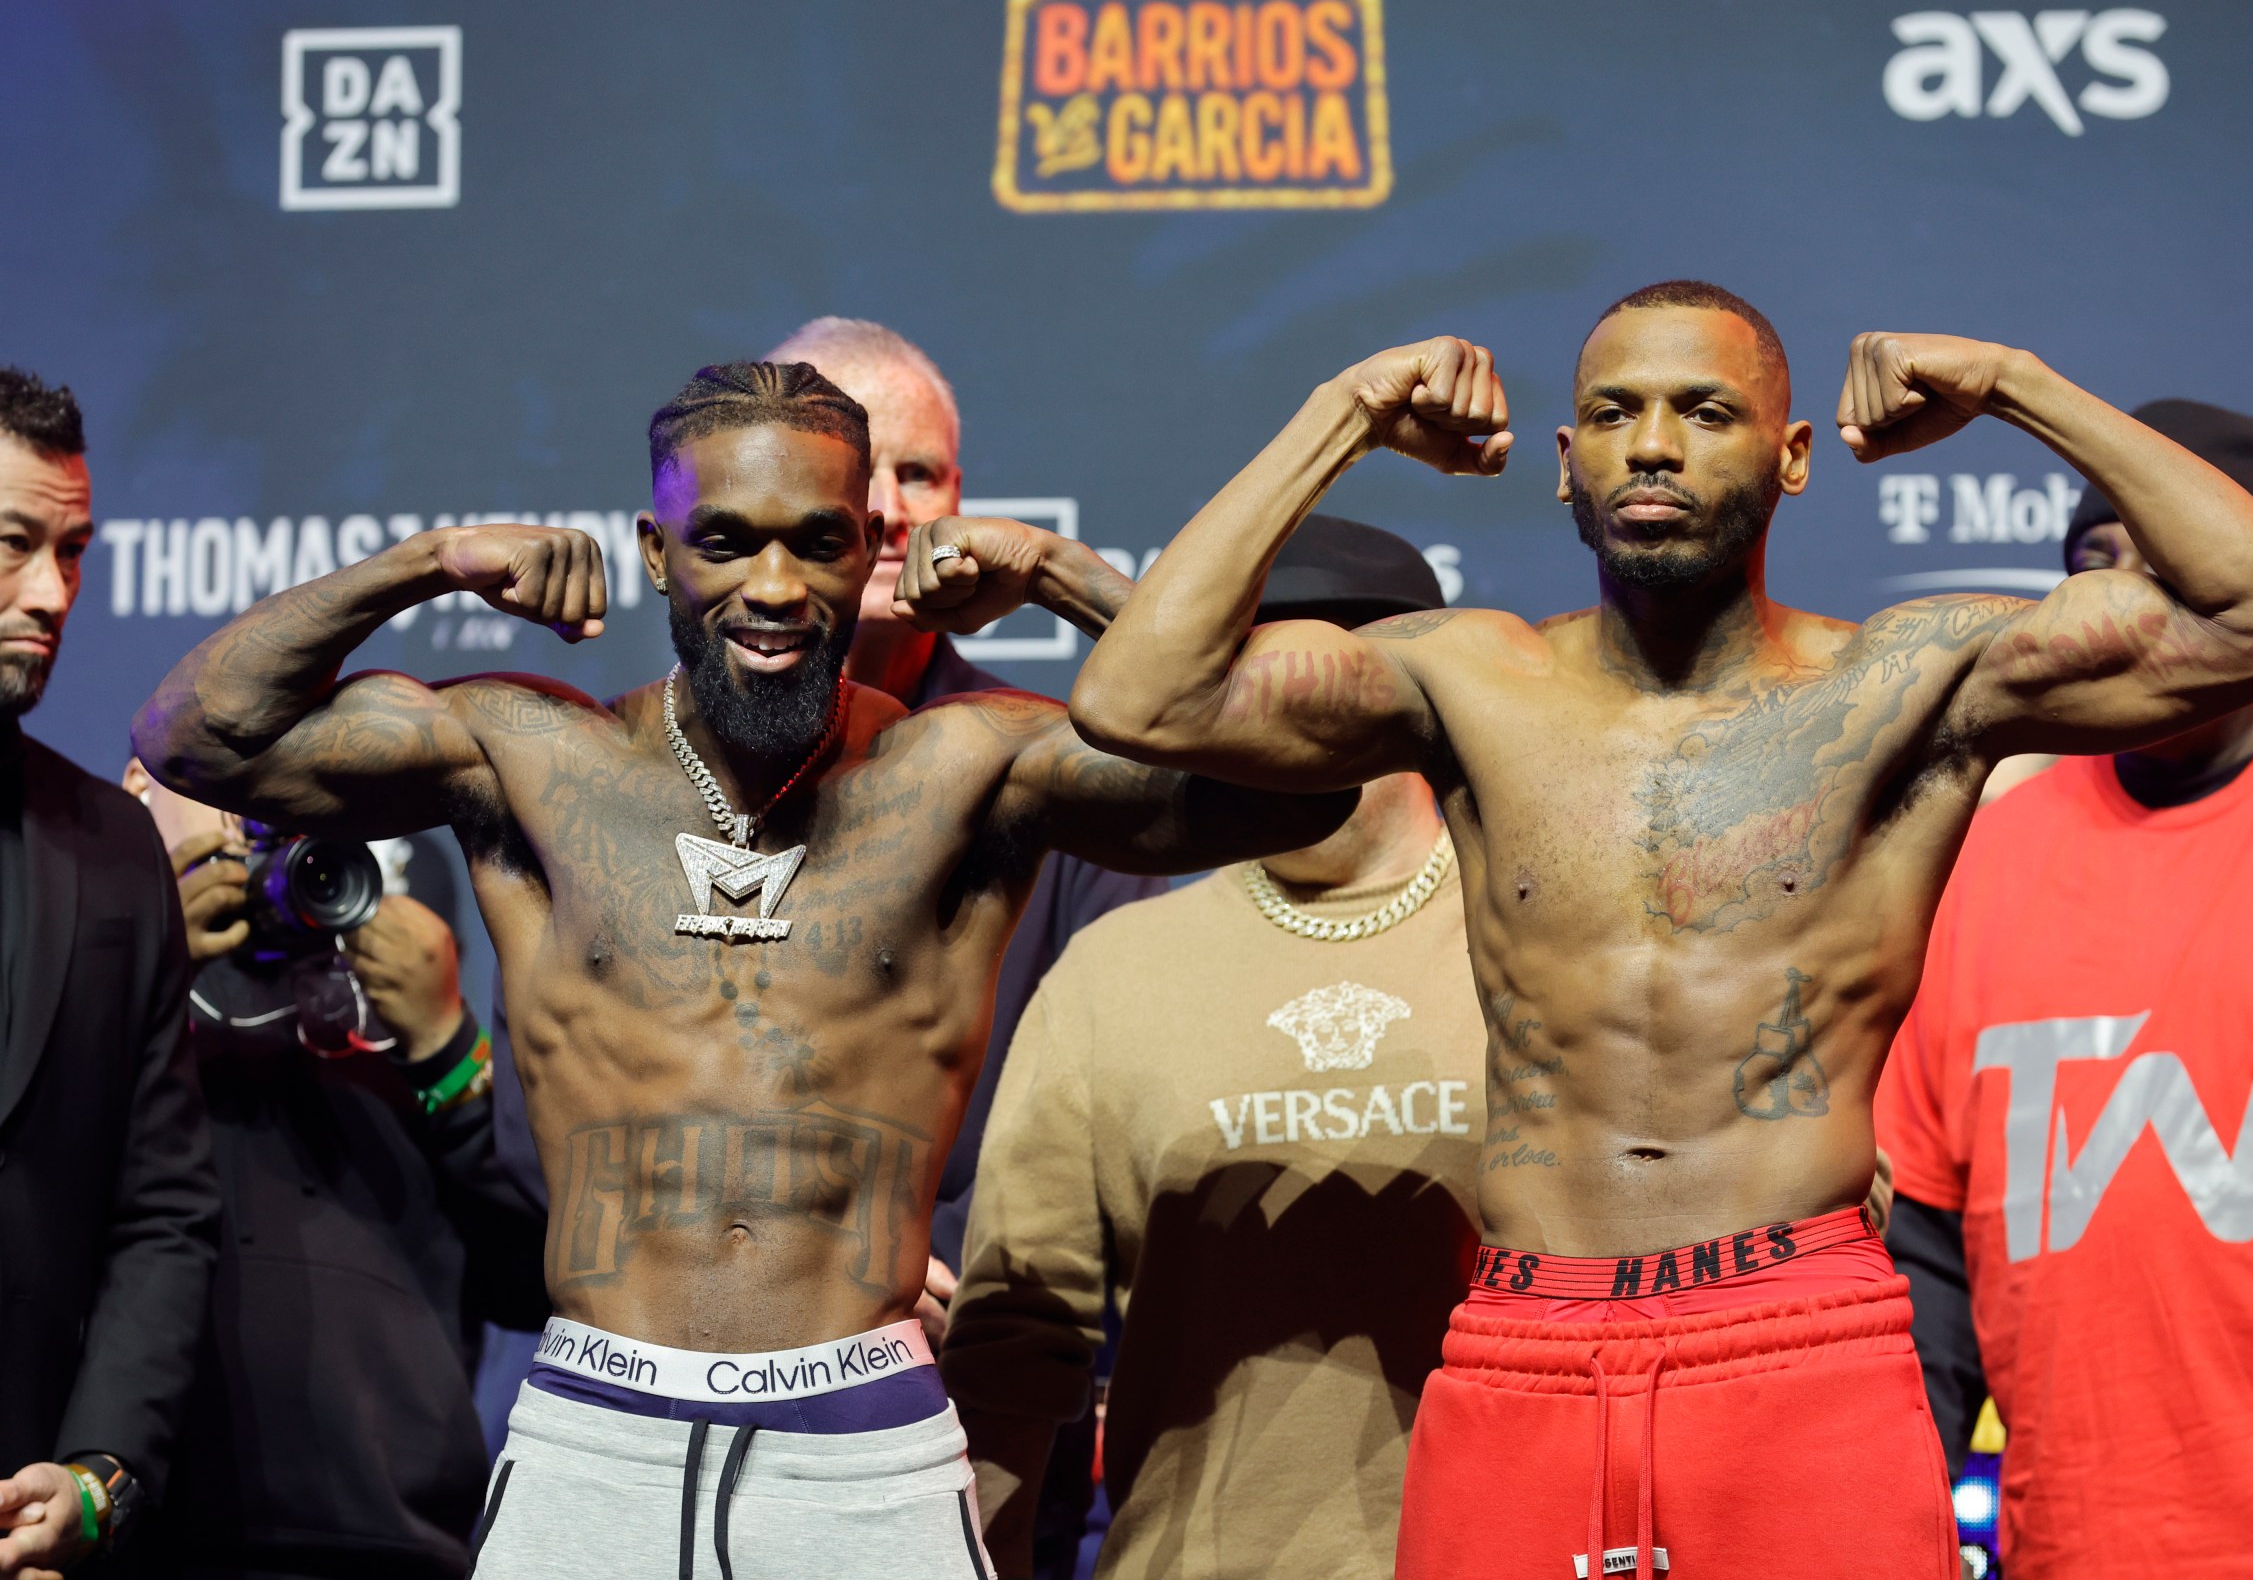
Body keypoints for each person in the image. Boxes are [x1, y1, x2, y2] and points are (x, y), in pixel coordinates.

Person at [1066, 283, 2253, 1578]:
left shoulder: (1904, 682)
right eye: (1615, 414)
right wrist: (1342, 411)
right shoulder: (1467, 676)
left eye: (1705, 411)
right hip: (1529, 1338)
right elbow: (1139, 694)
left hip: (1800, 1330)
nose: (1654, 444)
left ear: (1792, 458)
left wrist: (2016, 382)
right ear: (1566, 465)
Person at [133, 360, 1351, 1578]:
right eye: (726, 541)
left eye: (817, 542)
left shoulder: (967, 769)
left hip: (865, 1441)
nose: (773, 589)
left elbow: (1293, 782)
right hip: (593, 1436)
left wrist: (1059, 576)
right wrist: (424, 563)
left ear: (872, 544)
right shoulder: (530, 754)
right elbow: (194, 734)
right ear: (660, 554)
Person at [1874, 400, 2253, 1579]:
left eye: (2161, 563)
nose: (2116, 605)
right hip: (2059, 1550)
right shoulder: (1979, 858)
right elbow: (1929, 1247)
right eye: (2088, 565)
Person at [942, 519, 1484, 1580]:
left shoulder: (1546, 946)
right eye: (1240, 666)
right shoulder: (1115, 972)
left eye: (1315, 663)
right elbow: (1013, 1349)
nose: (1276, 704)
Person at [763, 316, 1164, 1309]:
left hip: (986, 1330)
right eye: (855, 471)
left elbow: (1115, 1075)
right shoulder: (646, 762)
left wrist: (949, 1265)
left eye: (922, 474)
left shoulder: (1052, 760)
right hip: (709, 1331)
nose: (893, 511)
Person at [123, 764, 549, 1580]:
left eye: (289, 785)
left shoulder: (393, 912)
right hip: (150, 1515)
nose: (262, 820)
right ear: (141, 783)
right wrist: (140, 973)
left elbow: (533, 1285)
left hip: (388, 1529)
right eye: (222, 784)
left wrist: (448, 1049)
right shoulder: (92, 939)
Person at [0, 368, 217, 1575]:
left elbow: (165, 1210)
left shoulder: (111, 846)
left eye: (73, 552)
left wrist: (98, 1471)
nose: (52, 595)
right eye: (14, 544)